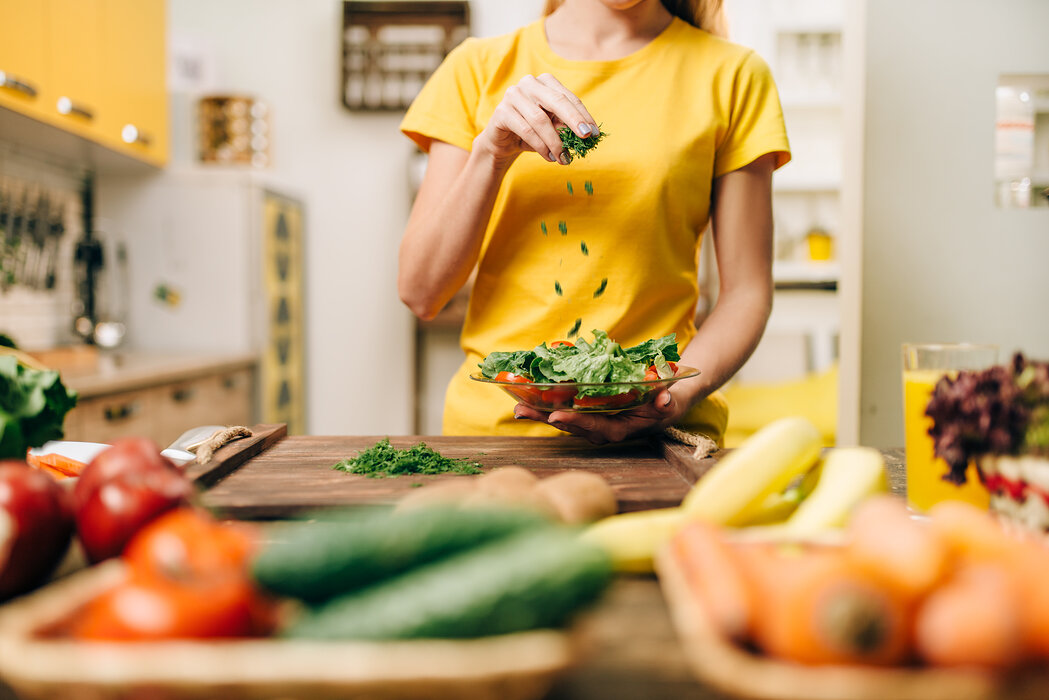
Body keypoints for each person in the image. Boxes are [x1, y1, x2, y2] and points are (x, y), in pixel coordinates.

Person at [398, 0, 790, 445]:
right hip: (493, 439)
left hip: (659, 438)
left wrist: (672, 397)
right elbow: (420, 291)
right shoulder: (476, 68)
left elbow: (746, 294)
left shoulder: (734, 75)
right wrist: (491, 155)